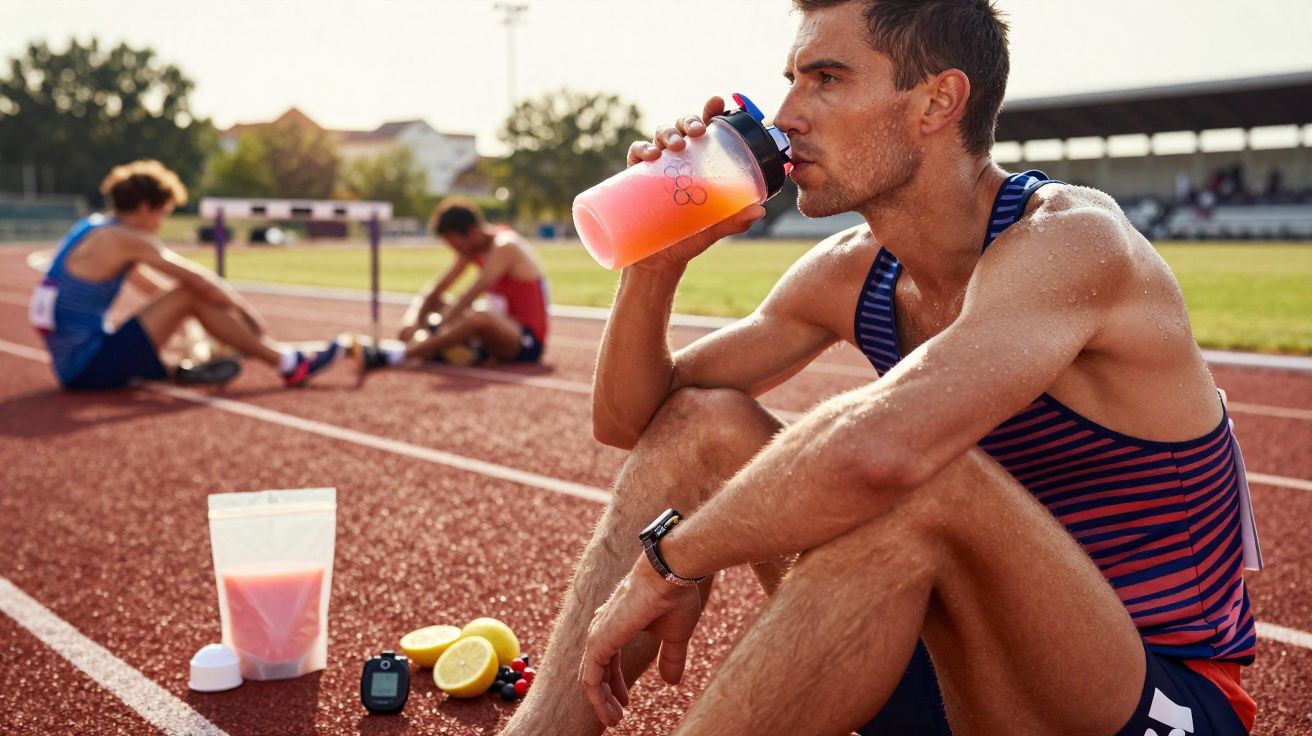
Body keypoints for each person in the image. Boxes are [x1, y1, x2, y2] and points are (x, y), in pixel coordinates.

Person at [500, 2, 1260, 735]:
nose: (787, 113)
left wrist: (669, 559)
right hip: (943, 673)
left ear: (937, 102)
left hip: (1149, 703)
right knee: (702, 422)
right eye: (792, 78)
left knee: (925, 483)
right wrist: (653, 265)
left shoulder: (1073, 242)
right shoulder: (851, 272)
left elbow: (880, 454)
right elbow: (632, 421)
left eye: (826, 79)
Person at [30, 160, 342, 390]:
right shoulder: (125, 239)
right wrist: (246, 314)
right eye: (163, 214)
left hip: (75, 366)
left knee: (188, 299)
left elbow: (153, 291)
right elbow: (197, 281)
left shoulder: (93, 228)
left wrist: (197, 324)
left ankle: (179, 369)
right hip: (88, 368)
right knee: (191, 292)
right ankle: (286, 362)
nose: (161, 225)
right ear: (144, 208)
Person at [355, 198, 549, 371]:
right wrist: (412, 323)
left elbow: (475, 290)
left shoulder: (506, 246)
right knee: (438, 302)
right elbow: (437, 288)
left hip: (526, 339)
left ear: (472, 232)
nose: (456, 251)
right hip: (497, 330)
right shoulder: (473, 248)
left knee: (480, 317)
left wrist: (438, 325)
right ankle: (453, 349)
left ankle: (395, 355)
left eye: (456, 245)